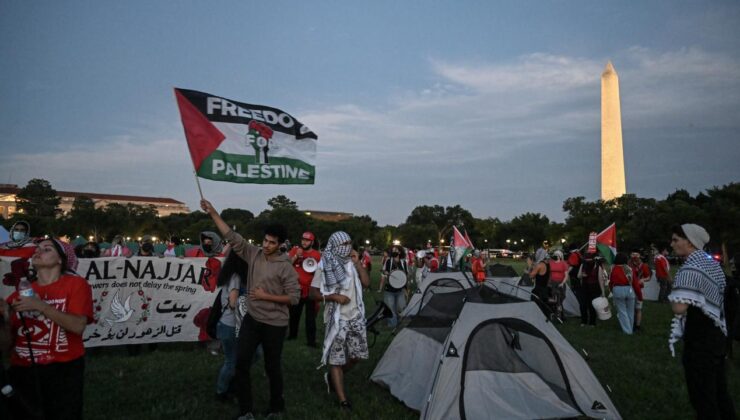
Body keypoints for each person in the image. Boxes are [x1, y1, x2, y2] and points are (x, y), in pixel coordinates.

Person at [200, 199, 299, 419]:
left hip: (275, 324)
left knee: (272, 367)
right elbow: (231, 237)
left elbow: (294, 298)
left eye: (272, 243)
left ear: (281, 244)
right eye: (265, 240)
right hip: (252, 320)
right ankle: (246, 411)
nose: (266, 245)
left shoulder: (285, 266)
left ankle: (276, 407)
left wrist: (266, 296)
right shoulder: (254, 254)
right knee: (241, 363)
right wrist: (214, 212)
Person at [1, 238, 93, 419]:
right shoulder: (19, 294)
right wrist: (2, 320)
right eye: (37, 248)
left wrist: (40, 306)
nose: (38, 251)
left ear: (61, 259)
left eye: (47, 249)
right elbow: (5, 346)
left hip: (62, 370)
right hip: (22, 370)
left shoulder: (76, 285)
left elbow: (78, 326)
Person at [667, 224, 735, 419]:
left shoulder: (690, 268)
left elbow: (679, 307)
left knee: (703, 397)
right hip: (717, 335)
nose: (672, 244)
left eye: (676, 240)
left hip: (700, 340)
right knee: (720, 392)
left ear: (689, 242)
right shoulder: (712, 265)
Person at [310, 234, 370, 411]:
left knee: (356, 356)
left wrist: (358, 263)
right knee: (336, 360)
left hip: (355, 316)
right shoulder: (324, 266)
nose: (348, 246)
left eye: (350, 243)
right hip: (336, 319)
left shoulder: (352, 264)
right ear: (335, 246)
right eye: (344, 243)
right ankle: (343, 399)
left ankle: (334, 377)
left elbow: (366, 283)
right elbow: (312, 294)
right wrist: (334, 297)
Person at [214, 250, 247, 402]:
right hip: (230, 324)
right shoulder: (236, 277)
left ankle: (232, 382)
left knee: (237, 359)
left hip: (228, 324)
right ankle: (221, 391)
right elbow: (234, 303)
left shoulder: (230, 274)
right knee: (231, 361)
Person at [287, 231, 322, 347]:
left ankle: (311, 341)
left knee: (310, 317)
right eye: (303, 239)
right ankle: (292, 335)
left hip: (310, 290)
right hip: (297, 288)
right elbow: (287, 265)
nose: (304, 242)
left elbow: (320, 272)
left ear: (312, 242)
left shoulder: (317, 255)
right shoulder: (294, 251)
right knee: (294, 314)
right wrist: (297, 255)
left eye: (307, 240)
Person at [378, 246, 408, 328]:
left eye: (396, 250)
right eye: (393, 250)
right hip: (389, 290)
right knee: (391, 309)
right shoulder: (388, 261)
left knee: (402, 308)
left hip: (400, 290)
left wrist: (406, 290)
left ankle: (401, 324)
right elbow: (383, 272)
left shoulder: (404, 262)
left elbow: (405, 277)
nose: (394, 251)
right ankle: (393, 325)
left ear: (400, 252)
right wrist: (385, 272)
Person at [608, 252, 636, 334]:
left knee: (622, 311)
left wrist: (611, 290)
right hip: (629, 289)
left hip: (618, 289)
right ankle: (630, 328)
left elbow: (611, 281)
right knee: (631, 311)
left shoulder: (613, 268)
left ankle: (627, 331)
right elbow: (633, 281)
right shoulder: (629, 268)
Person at [577, 253, 603, 326]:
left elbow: (600, 279)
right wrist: (582, 274)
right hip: (584, 287)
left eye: (589, 259)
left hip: (594, 288)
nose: (588, 261)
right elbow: (578, 276)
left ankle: (592, 322)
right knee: (583, 305)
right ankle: (583, 321)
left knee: (592, 305)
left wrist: (603, 291)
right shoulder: (583, 265)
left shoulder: (597, 267)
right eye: (586, 259)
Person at [629, 250, 651, 332]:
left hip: (638, 289)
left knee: (638, 308)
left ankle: (637, 326)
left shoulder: (644, 266)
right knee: (631, 307)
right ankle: (630, 324)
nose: (635, 257)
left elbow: (648, 277)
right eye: (633, 254)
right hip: (629, 289)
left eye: (636, 255)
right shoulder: (628, 265)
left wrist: (643, 279)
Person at [528, 248, 551, 317]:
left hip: (539, 290)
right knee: (544, 306)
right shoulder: (547, 264)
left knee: (538, 307)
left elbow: (531, 276)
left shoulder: (539, 265)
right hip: (545, 288)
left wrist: (530, 266)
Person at [548, 250, 569, 319]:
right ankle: (559, 316)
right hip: (552, 283)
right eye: (555, 254)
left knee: (561, 298)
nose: (556, 255)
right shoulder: (550, 263)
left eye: (557, 254)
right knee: (556, 299)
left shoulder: (563, 263)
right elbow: (548, 273)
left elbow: (566, 275)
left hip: (561, 283)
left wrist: (563, 283)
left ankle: (559, 315)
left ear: (560, 256)